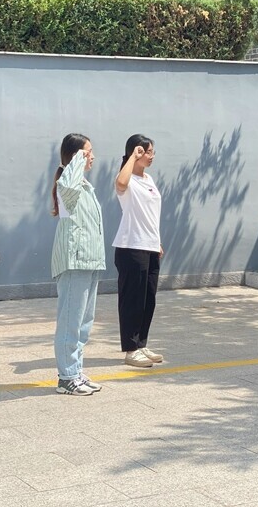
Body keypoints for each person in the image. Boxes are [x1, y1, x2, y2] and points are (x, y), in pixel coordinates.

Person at [50, 133, 106, 395]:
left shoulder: (84, 185)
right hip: (75, 261)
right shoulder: (67, 183)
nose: (92, 156)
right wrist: (76, 162)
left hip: (89, 260)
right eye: (87, 152)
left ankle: (76, 371)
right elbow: (68, 188)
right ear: (75, 157)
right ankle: (67, 378)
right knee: (70, 322)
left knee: (83, 323)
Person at [113, 134, 164, 368]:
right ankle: (130, 350)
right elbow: (120, 184)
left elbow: (150, 214)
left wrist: (157, 242)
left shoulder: (148, 178)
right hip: (131, 247)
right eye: (147, 152)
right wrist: (132, 157)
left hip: (150, 246)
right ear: (136, 152)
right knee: (132, 300)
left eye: (152, 152)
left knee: (148, 300)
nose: (152, 156)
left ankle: (141, 344)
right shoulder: (127, 179)